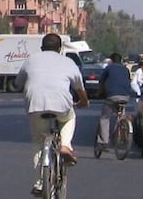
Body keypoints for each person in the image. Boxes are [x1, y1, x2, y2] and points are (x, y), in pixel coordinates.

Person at [15, 33, 89, 197]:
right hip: (61, 105)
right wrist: (84, 102)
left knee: (39, 141)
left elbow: (17, 83)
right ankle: (65, 146)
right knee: (70, 117)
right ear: (60, 48)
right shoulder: (68, 62)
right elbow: (79, 89)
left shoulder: (31, 60)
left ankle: (39, 183)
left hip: (35, 106)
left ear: (42, 48)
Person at [95, 52, 133, 149]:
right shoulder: (125, 69)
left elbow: (101, 81)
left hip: (112, 96)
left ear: (111, 61)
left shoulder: (108, 68)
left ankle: (104, 141)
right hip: (125, 97)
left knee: (105, 118)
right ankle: (121, 129)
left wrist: (99, 93)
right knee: (120, 114)